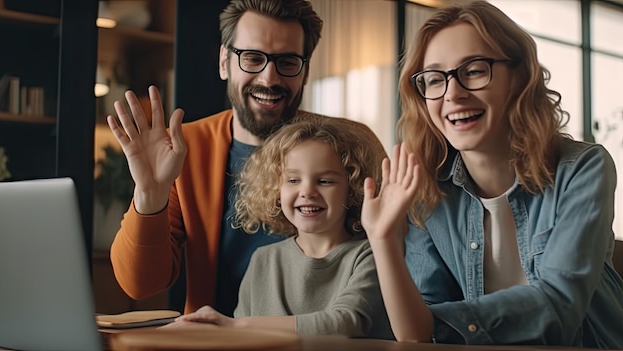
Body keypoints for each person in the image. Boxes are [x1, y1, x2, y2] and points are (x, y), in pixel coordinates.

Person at [363, 1, 623, 348]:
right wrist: (382, 239)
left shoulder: (582, 168)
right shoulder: (427, 190)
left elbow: (560, 308)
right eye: (435, 79)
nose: (453, 93)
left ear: (519, 77)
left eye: (473, 70)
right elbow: (416, 334)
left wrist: (440, 324)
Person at [107, 0, 325, 316]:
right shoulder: (185, 148)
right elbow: (140, 284)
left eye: (288, 62)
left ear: (305, 70)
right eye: (252, 58)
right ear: (224, 61)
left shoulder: (342, 147)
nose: (269, 79)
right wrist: (149, 195)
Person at [173, 116, 395, 339]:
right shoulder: (262, 259)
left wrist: (233, 326)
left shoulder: (369, 256)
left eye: (325, 181)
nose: (307, 192)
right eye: (292, 180)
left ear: (353, 189)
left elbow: (345, 323)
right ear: (275, 189)